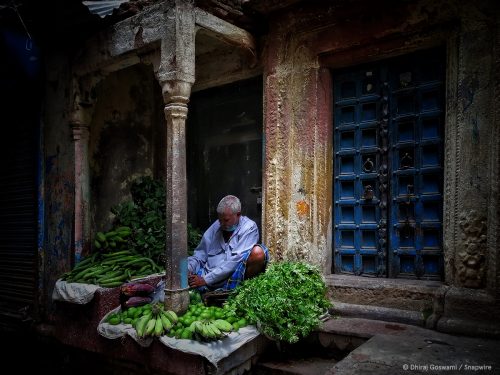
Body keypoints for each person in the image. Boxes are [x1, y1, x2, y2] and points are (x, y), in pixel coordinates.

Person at [187, 195, 269, 291]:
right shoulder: (216, 227)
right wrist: (187, 269)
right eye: (220, 220)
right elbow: (199, 256)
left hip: (233, 277)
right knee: (182, 268)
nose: (222, 224)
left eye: (226, 220)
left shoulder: (249, 227)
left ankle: (243, 291)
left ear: (238, 215)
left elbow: (236, 260)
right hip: (207, 275)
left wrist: (206, 280)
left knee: (258, 252)